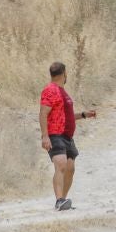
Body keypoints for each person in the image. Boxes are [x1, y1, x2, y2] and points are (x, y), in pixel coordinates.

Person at [39, 62, 96, 212]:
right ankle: (60, 200)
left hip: (67, 136)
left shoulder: (62, 92)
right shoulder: (50, 90)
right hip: (55, 134)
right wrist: (45, 136)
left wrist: (83, 115)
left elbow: (66, 116)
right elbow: (43, 113)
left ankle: (63, 200)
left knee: (70, 168)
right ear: (64, 74)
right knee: (61, 165)